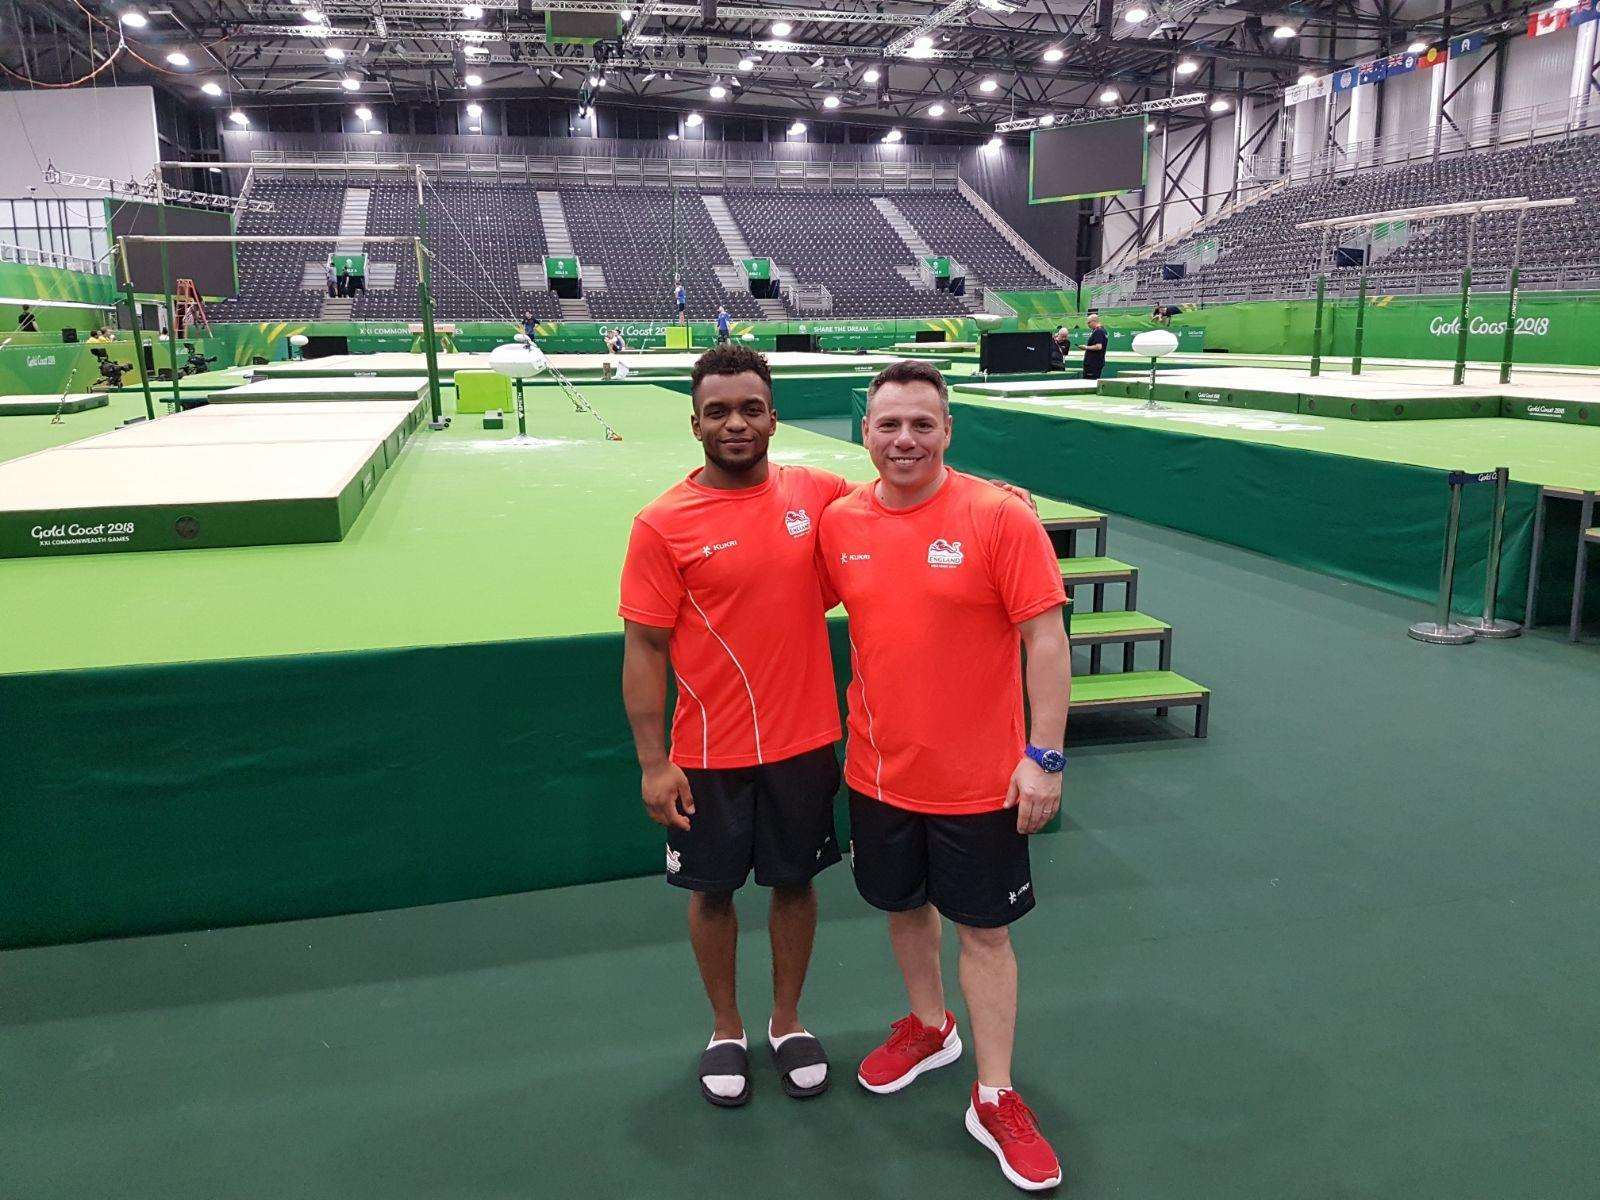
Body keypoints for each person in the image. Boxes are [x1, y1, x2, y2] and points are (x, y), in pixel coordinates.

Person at [818, 359, 1070, 1193]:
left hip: (981, 781)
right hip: (880, 773)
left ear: (948, 430)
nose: (904, 440)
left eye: (922, 424)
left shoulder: (999, 518)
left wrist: (1044, 757)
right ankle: (931, 1025)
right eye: (888, 425)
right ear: (865, 432)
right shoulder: (840, 520)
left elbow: (1045, 641)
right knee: (902, 906)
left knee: (986, 935)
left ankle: (994, 1094)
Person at [619, 344, 853, 1110]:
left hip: (805, 741)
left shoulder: (818, 493)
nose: (736, 423)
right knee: (712, 893)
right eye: (718, 410)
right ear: (694, 423)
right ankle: (727, 1028)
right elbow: (646, 649)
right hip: (708, 753)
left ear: (774, 416)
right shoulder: (661, 524)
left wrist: (994, 496)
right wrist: (654, 762)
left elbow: (909, 501)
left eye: (750, 408)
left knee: (794, 884)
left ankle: (787, 1024)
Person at [1081, 314, 1109, 381]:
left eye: (1089, 322)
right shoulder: (1102, 330)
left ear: (1094, 321)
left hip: (1093, 363)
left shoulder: (1098, 331)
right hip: (1096, 362)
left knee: (1089, 382)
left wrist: (1086, 347)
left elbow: (1098, 346)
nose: (1088, 325)